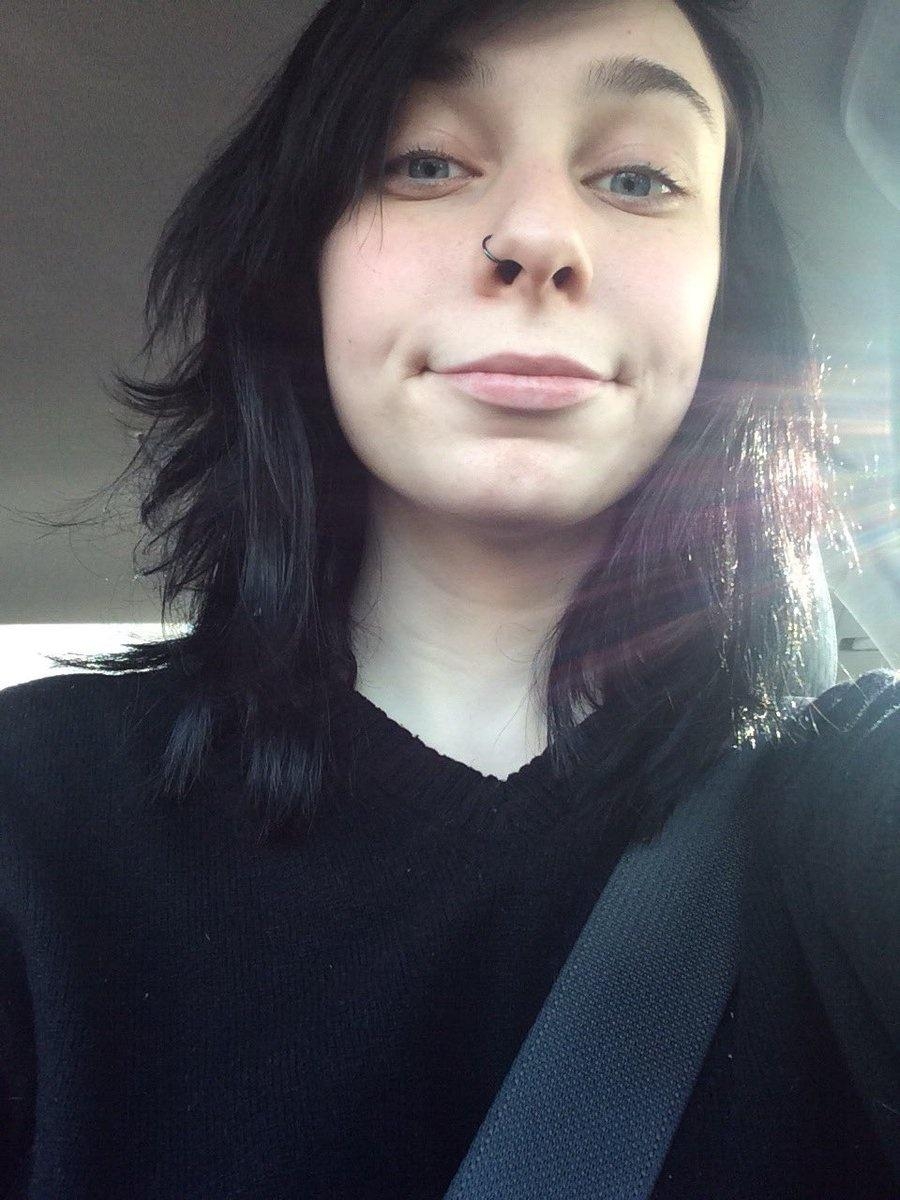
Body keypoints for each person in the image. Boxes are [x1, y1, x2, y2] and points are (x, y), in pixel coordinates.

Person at [1, 0, 897, 1196]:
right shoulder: (33, 815)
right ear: (303, 266)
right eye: (424, 161)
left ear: (728, 303)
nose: (537, 235)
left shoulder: (851, 808)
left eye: (638, 178)